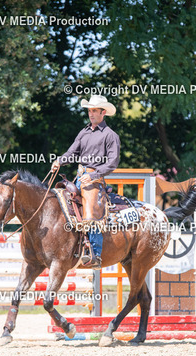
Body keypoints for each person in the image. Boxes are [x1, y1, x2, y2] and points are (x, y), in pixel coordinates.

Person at [51, 95, 120, 269]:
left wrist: (94, 175)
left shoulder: (110, 135)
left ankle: (95, 253)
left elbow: (112, 162)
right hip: (79, 177)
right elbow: (72, 153)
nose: (91, 114)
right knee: (57, 199)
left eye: (94, 110)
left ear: (103, 112)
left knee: (90, 211)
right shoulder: (84, 132)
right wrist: (60, 160)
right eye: (89, 110)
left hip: (93, 180)